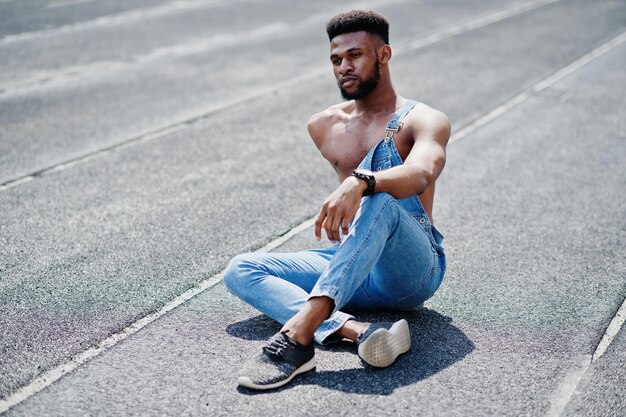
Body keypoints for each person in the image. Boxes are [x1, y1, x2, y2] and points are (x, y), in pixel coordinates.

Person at [224, 9, 450, 390]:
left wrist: (361, 182)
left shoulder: (422, 119)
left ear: (384, 54)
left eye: (355, 55)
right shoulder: (324, 125)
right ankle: (358, 331)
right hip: (352, 265)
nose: (344, 66)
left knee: (382, 200)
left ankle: (299, 337)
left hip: (410, 270)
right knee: (241, 269)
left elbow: (422, 174)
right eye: (336, 59)